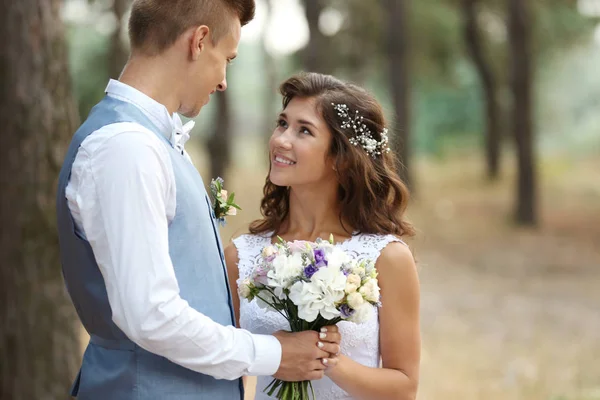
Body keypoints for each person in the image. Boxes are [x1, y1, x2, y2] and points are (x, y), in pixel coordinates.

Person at [55, 2, 340, 399]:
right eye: (227, 58)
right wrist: (272, 354)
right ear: (199, 41)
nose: (223, 80)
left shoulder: (151, 142)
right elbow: (150, 315)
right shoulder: (127, 148)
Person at [225, 72, 421, 399]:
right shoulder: (242, 256)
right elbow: (224, 367)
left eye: (304, 130)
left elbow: (404, 388)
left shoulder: (387, 258)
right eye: (282, 123)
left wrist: (330, 360)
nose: (281, 140)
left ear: (341, 158)